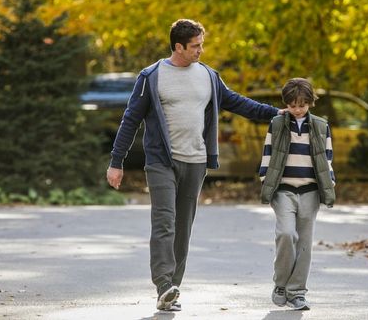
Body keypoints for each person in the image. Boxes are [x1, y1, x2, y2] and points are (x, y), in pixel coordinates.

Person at [106, 19, 282, 312]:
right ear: (179, 47)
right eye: (196, 46)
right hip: (162, 160)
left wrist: (276, 113)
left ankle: (173, 289)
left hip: (196, 161)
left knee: (183, 226)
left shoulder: (209, 76)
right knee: (164, 222)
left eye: (202, 44)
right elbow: (130, 120)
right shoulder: (151, 76)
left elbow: (237, 103)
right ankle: (163, 285)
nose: (201, 50)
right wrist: (116, 161)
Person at [258, 77, 336, 311]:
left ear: (310, 103)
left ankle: (297, 292)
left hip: (310, 191)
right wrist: (266, 180)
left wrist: (329, 184)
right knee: (285, 234)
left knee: (304, 243)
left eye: (302, 105)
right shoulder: (277, 124)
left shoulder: (322, 126)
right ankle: (281, 284)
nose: (297, 109)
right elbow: (268, 155)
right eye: (292, 105)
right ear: (287, 104)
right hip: (283, 191)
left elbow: (327, 160)